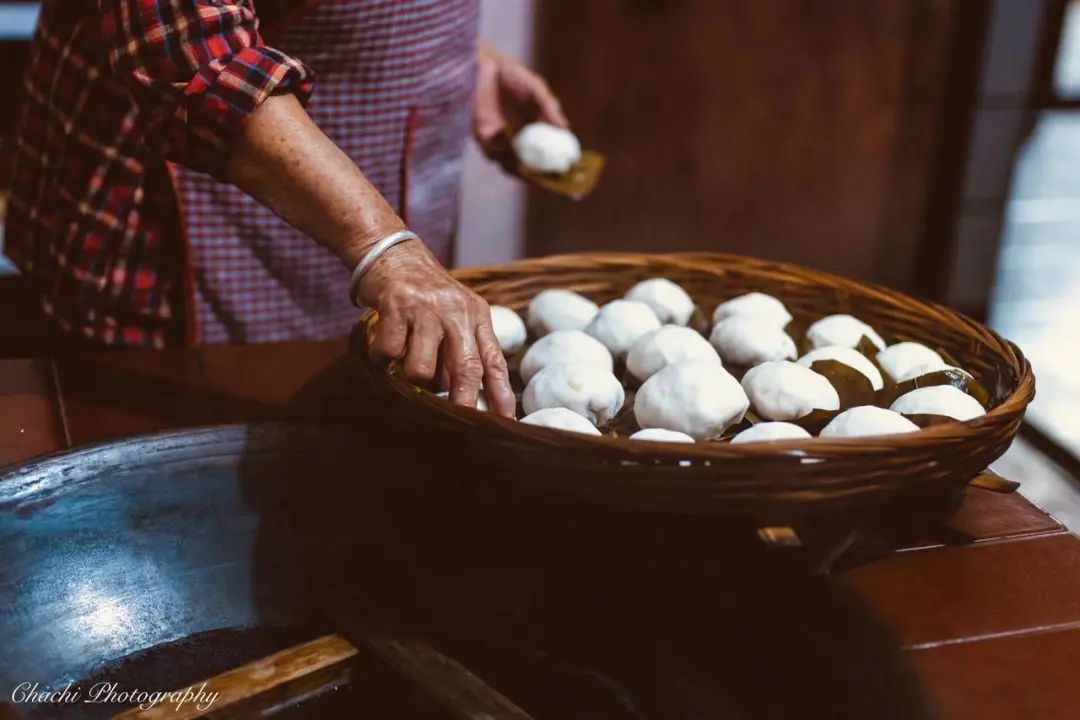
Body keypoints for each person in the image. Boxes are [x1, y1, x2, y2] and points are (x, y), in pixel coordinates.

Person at [2, 0, 570, 417]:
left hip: (380, 172)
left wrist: (457, 53)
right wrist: (387, 251)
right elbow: (195, 54)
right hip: (181, 217)